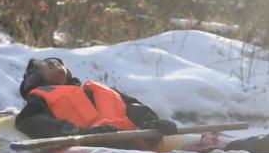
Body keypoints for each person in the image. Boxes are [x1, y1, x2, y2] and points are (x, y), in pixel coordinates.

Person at [15, 57, 177, 148]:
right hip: (91, 149)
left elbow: (133, 108)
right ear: (34, 77)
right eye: (46, 64)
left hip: (131, 144)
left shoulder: (95, 90)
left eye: (56, 61)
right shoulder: (41, 98)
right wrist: (74, 132)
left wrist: (151, 122)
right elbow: (29, 121)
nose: (52, 63)